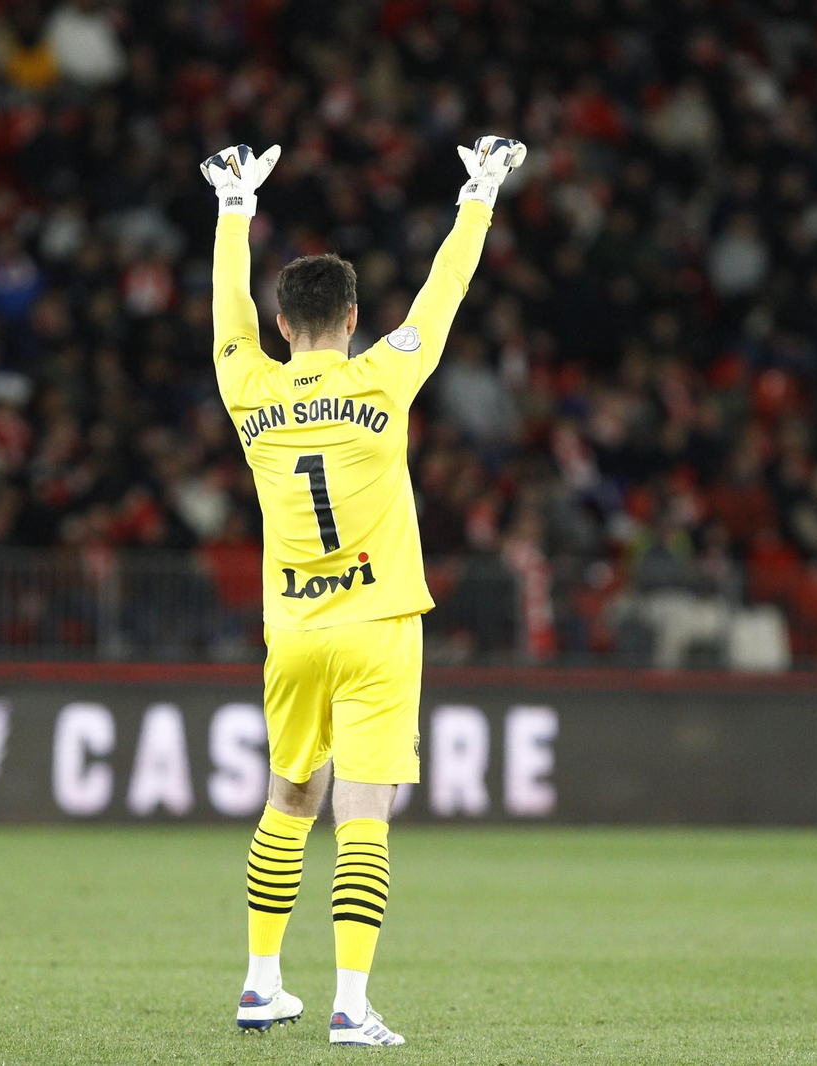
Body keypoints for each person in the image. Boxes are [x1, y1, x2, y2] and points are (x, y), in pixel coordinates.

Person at [202, 136, 526, 1047]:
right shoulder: (383, 377)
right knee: (363, 815)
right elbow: (444, 293)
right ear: (351, 319)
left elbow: (225, 317)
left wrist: (233, 209)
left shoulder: (247, 386)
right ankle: (350, 1002)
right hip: (378, 622)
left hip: (293, 629)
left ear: (282, 322)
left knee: (288, 797)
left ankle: (261, 983)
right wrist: (478, 193)